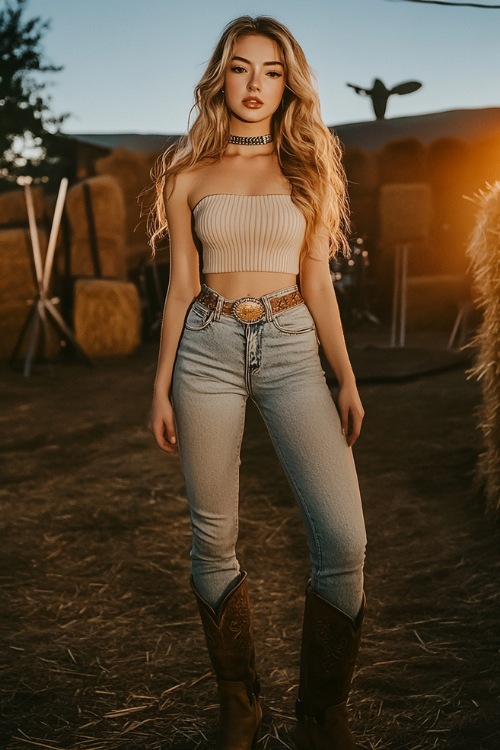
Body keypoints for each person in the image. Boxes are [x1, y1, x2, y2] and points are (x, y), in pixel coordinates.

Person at [149, 15, 367, 750]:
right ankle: (239, 702)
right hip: (205, 349)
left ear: (288, 84)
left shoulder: (307, 169)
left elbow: (318, 281)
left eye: (271, 71)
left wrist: (346, 378)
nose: (255, 85)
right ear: (221, 77)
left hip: (292, 345)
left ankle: (322, 712)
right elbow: (180, 287)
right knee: (213, 539)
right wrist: (159, 386)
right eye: (241, 68)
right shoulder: (186, 172)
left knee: (344, 539)